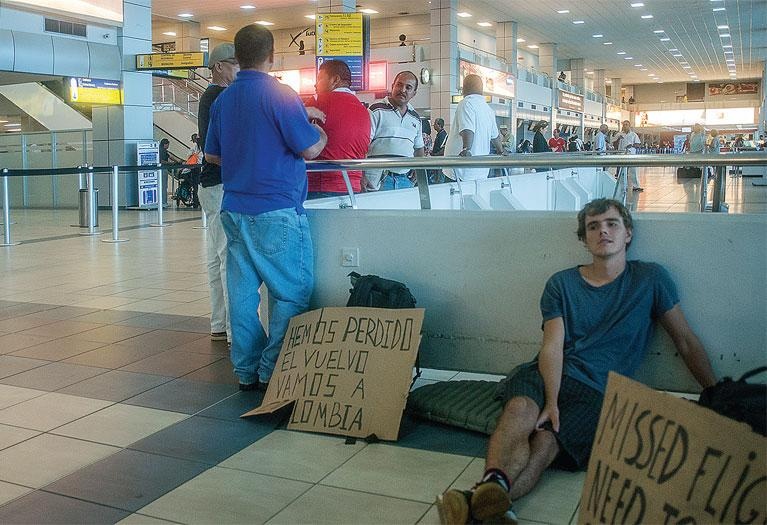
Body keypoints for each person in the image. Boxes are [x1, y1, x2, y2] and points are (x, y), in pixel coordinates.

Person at [437, 198, 717, 525]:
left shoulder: (651, 279)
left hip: (597, 391)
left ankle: (480, 500)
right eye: (593, 227)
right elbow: (552, 346)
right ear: (584, 239)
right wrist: (552, 401)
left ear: (628, 233)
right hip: (547, 373)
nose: (603, 232)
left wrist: (716, 390)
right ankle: (492, 493)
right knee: (521, 409)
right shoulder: (562, 284)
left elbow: (684, 340)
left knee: (546, 443)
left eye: (612, 224)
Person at [204, 24, 327, 391]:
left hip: (235, 208)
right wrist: (318, 129)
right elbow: (309, 149)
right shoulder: (281, 94)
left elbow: (211, 154)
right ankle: (273, 369)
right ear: (272, 57)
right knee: (291, 292)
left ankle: (245, 370)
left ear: (237, 57)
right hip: (276, 209)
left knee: (242, 296)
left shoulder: (224, 100)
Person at [197, 43, 239, 343]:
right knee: (228, 256)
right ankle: (234, 331)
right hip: (221, 183)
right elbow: (216, 150)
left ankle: (219, 323)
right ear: (218, 67)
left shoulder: (210, 97)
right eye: (234, 63)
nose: (239, 68)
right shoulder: (219, 97)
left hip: (210, 184)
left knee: (215, 254)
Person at [304, 59, 371, 199]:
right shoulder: (364, 110)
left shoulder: (317, 101)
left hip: (320, 186)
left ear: (335, 80)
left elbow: (290, 127)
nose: (315, 84)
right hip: (352, 189)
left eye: (320, 78)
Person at [365, 71, 424, 191]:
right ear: (392, 86)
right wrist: (360, 175)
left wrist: (418, 170)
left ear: (414, 94)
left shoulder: (415, 118)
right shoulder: (376, 110)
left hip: (405, 180)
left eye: (408, 87)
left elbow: (419, 148)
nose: (402, 90)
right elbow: (363, 144)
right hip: (378, 179)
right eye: (399, 85)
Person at [444, 74, 506, 181]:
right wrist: (501, 150)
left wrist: (466, 149)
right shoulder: (488, 109)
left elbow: (467, 129)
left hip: (460, 171)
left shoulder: (466, 103)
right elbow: (495, 136)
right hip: (480, 170)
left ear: (464, 89)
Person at [615, 120, 642, 191]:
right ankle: (623, 186)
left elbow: (638, 144)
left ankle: (636, 186)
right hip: (621, 154)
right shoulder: (619, 134)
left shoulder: (633, 135)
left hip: (631, 154)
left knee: (633, 170)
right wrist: (618, 139)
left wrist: (632, 145)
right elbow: (614, 144)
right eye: (624, 125)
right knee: (623, 171)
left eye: (626, 124)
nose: (625, 126)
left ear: (629, 126)